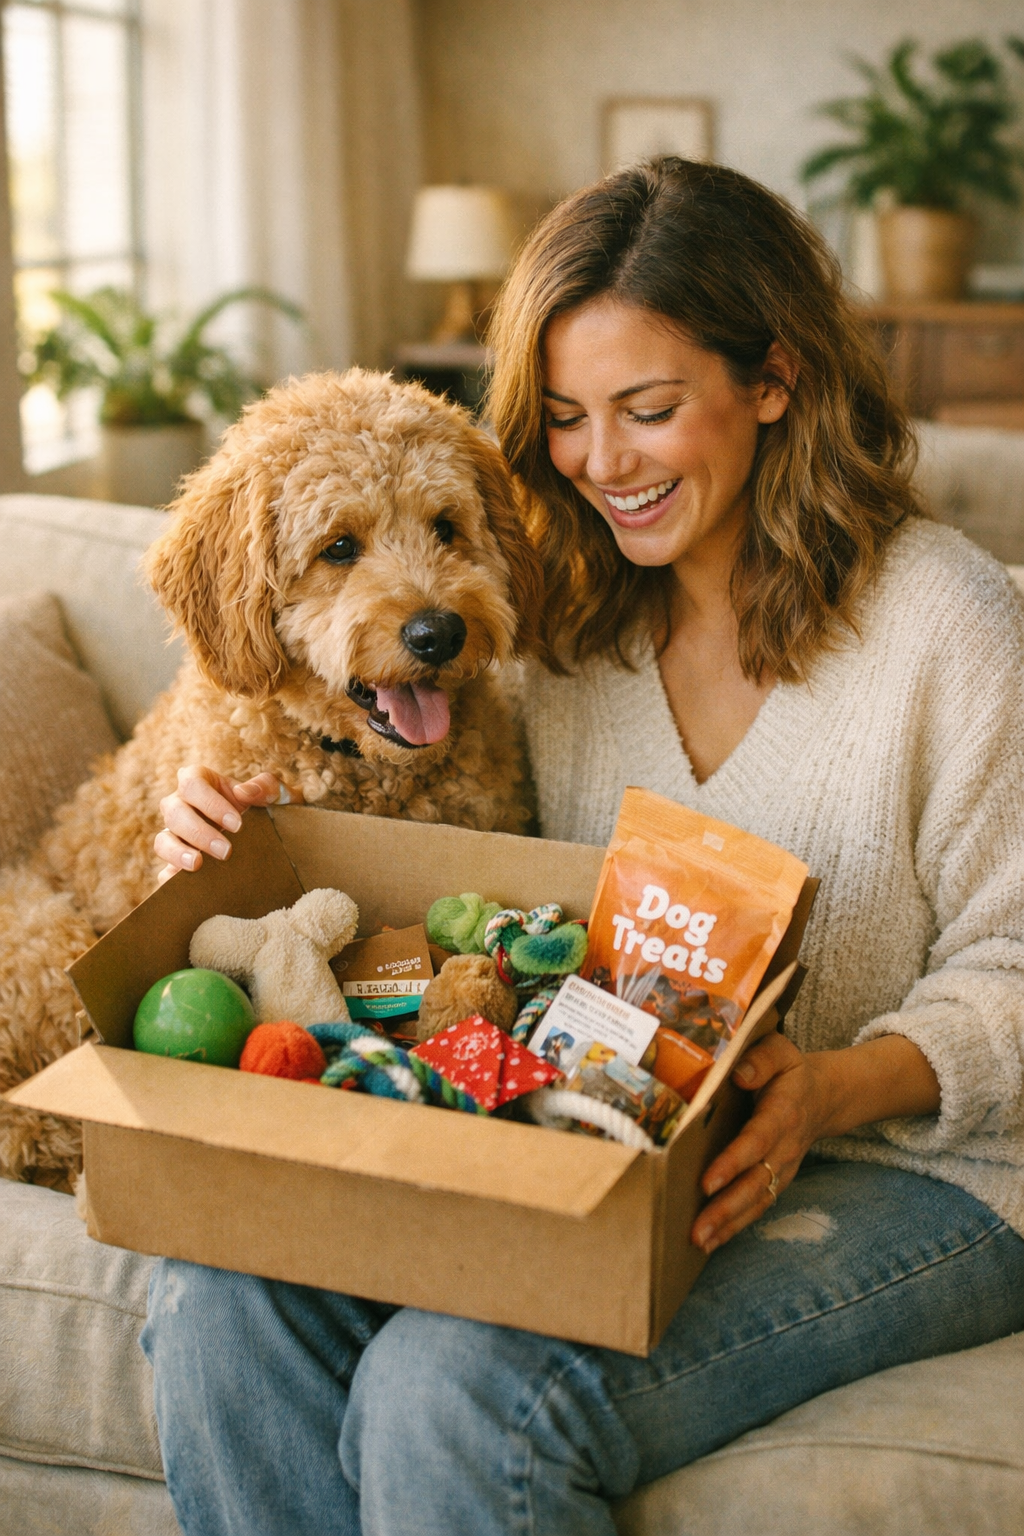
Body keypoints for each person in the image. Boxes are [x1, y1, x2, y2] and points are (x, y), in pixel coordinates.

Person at [142, 159, 1024, 1536]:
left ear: (775, 379)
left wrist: (831, 1091)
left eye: (650, 410)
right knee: (220, 1292)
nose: (601, 462)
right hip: (621, 1139)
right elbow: (405, 832)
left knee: (458, 1390)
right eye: (563, 419)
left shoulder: (947, 625)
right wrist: (233, 833)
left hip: (920, 1172)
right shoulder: (561, 635)